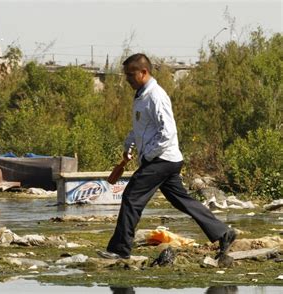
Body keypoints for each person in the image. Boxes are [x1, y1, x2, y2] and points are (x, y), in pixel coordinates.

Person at [101, 53, 236, 260]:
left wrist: (148, 155)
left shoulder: (156, 96)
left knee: (131, 198)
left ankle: (119, 250)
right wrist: (129, 145)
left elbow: (168, 132)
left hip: (162, 159)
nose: (126, 78)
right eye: (126, 74)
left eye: (130, 74)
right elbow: (141, 127)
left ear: (144, 72)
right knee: (182, 201)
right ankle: (224, 233)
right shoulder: (141, 95)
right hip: (165, 160)